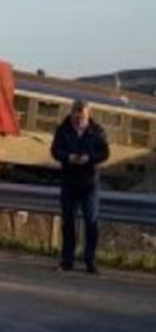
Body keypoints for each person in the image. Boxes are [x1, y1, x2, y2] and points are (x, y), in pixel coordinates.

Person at [50, 100, 109, 273]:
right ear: (71, 114)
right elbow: (55, 151)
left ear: (88, 115)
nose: (78, 120)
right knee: (68, 221)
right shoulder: (63, 129)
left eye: (81, 117)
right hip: (69, 181)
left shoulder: (97, 131)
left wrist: (89, 158)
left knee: (91, 221)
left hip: (89, 183)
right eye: (75, 116)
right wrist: (68, 157)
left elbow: (104, 153)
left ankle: (90, 261)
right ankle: (67, 260)